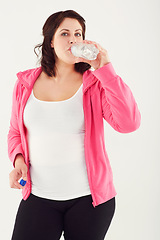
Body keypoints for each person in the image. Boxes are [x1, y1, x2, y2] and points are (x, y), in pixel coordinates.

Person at [7, 10, 141, 240]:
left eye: (78, 34)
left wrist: (105, 70)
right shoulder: (25, 83)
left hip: (90, 201)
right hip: (39, 197)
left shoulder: (95, 84)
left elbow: (128, 124)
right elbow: (15, 131)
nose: (73, 39)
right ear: (50, 41)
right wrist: (18, 160)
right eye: (65, 33)